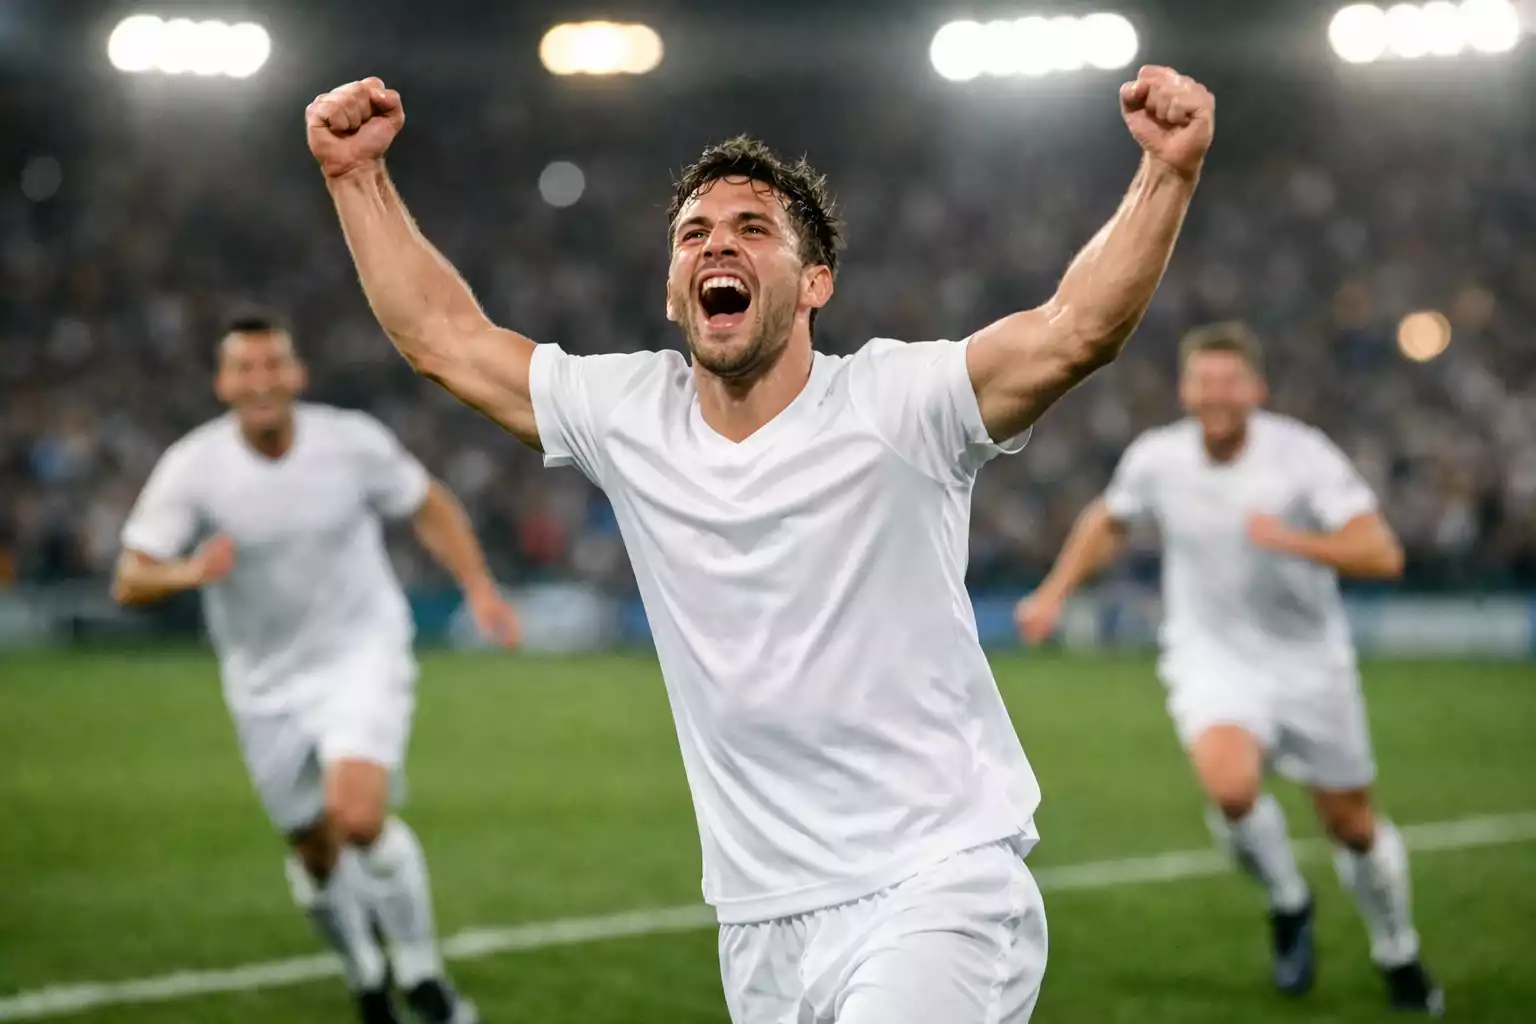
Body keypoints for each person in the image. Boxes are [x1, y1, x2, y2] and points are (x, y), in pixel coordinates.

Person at [305, 64, 1213, 1023]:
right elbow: (444, 337)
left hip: (936, 884)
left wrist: (1166, 171)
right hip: (760, 920)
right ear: (671, 289)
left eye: (751, 230)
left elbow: (1074, 332)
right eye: (692, 234)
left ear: (815, 280)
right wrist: (355, 178)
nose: (715, 246)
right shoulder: (628, 414)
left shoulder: (898, 403)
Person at [1015, 322, 1443, 1015]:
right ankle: (1288, 901)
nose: (1215, 396)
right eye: (1203, 383)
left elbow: (1381, 554)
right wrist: (1054, 593)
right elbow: (1110, 519)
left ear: (1256, 389)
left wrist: (1293, 539)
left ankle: (1397, 948)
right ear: (1185, 389)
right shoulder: (1159, 457)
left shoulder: (1301, 455)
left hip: (1310, 663)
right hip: (1211, 656)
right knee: (1231, 786)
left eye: (1229, 383)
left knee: (1353, 827)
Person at [113, 312, 517, 1024]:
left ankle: (423, 976)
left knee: (358, 817)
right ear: (223, 383)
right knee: (312, 850)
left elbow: (429, 505)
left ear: (296, 375)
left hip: (361, 650)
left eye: (274, 364)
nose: (262, 379)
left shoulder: (351, 442)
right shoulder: (194, 466)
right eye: (246, 367)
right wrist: (187, 573)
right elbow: (130, 580)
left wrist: (478, 586)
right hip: (262, 679)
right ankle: (366, 974)